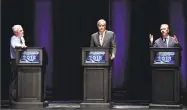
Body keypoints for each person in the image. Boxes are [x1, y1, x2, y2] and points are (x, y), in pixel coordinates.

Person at [90, 19, 117, 101]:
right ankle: (98, 96)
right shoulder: (93, 36)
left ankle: (107, 98)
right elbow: (91, 49)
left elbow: (114, 46)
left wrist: (113, 54)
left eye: (103, 26)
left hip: (107, 60)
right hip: (97, 61)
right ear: (97, 26)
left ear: (105, 26)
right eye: (100, 26)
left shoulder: (111, 34)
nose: (101, 27)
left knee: (107, 79)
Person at [9, 25, 27, 102]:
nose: (22, 31)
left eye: (22, 30)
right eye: (21, 30)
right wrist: (22, 46)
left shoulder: (22, 38)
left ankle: (19, 97)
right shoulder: (14, 38)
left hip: (21, 60)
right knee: (15, 80)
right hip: (14, 61)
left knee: (20, 79)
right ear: (16, 32)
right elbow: (14, 45)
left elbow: (24, 46)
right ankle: (12, 99)